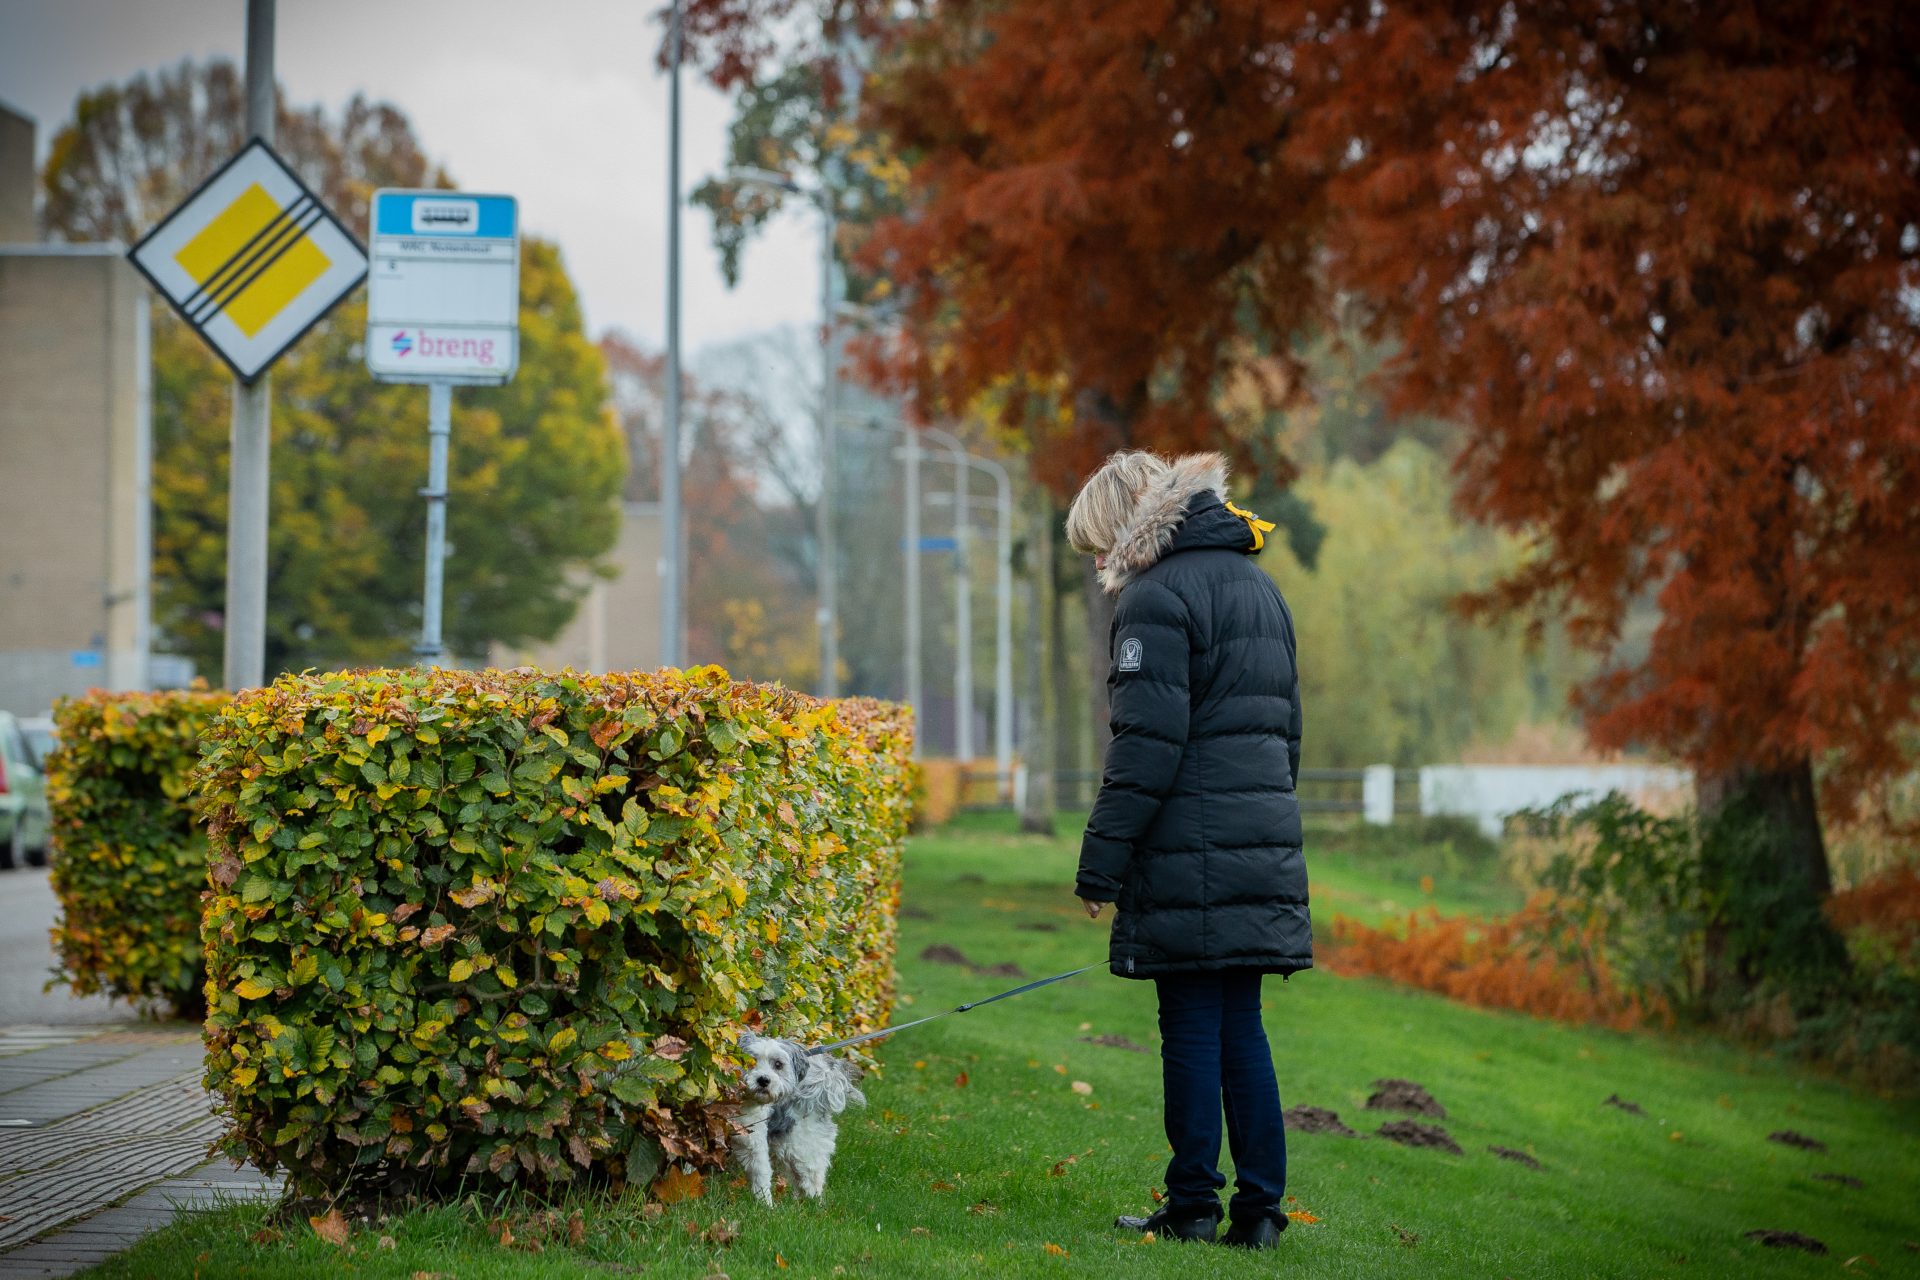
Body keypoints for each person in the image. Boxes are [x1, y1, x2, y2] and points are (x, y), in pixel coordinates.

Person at [1065, 450, 1310, 1250]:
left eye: (1098, 543)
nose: (1099, 563)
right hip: (1260, 843)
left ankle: (1193, 1205)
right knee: (1243, 1026)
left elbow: (1145, 746)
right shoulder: (1261, 588)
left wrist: (1101, 863)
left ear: (1129, 524)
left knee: (1193, 1026)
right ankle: (1262, 1214)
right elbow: (1288, 739)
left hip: (1190, 849)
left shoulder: (1155, 598)